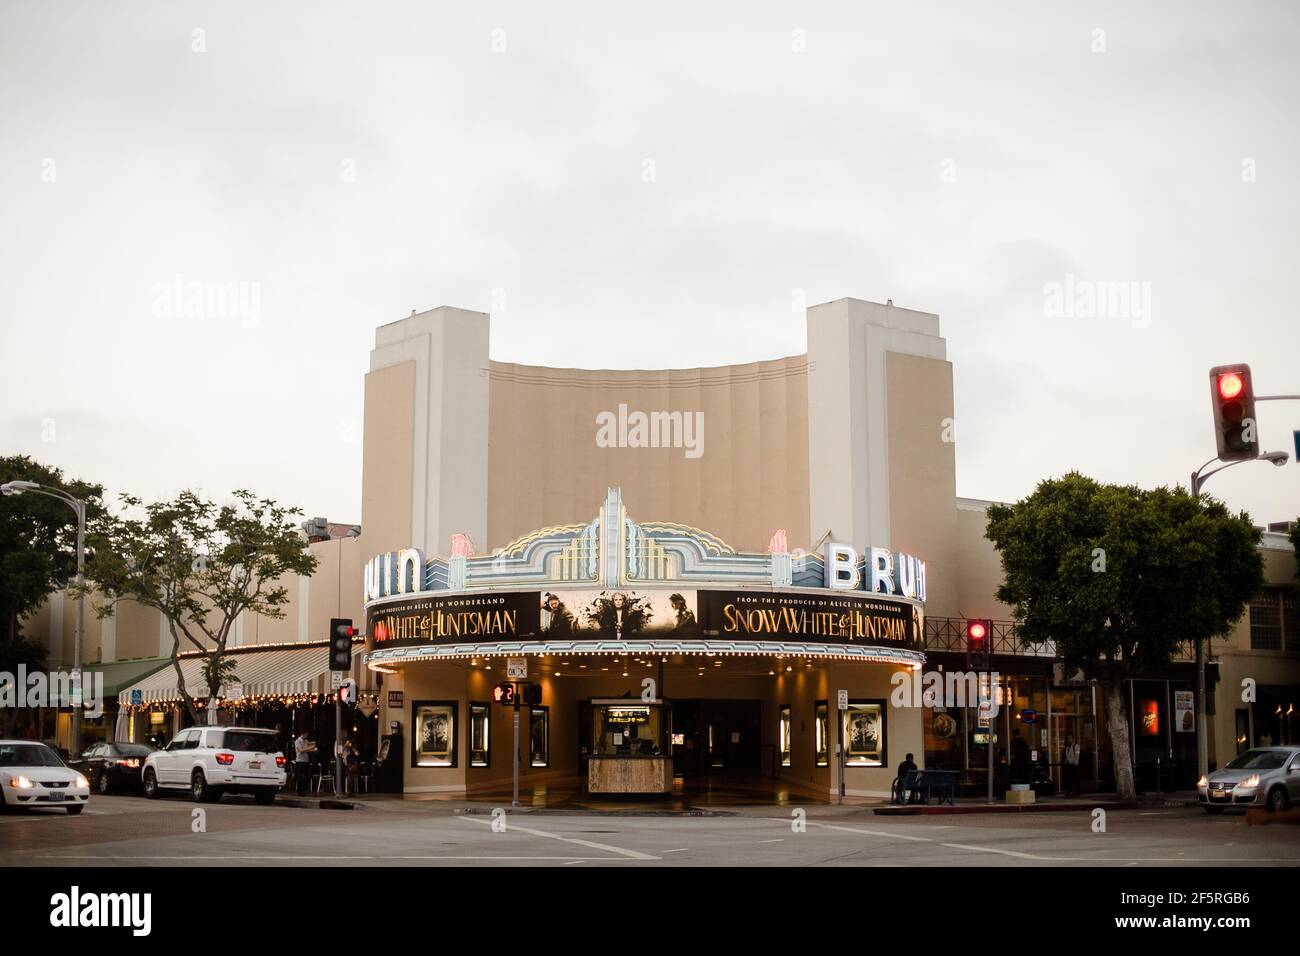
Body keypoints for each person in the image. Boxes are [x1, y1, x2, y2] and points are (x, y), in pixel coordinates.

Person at [294, 731, 316, 795]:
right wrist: (311, 747)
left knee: (308, 775)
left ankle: (302, 788)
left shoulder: (305, 741)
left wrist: (313, 750)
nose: (307, 736)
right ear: (302, 734)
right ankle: (300, 791)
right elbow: (301, 750)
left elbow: (306, 750)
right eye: (306, 735)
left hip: (306, 760)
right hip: (300, 761)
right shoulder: (298, 741)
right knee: (300, 776)